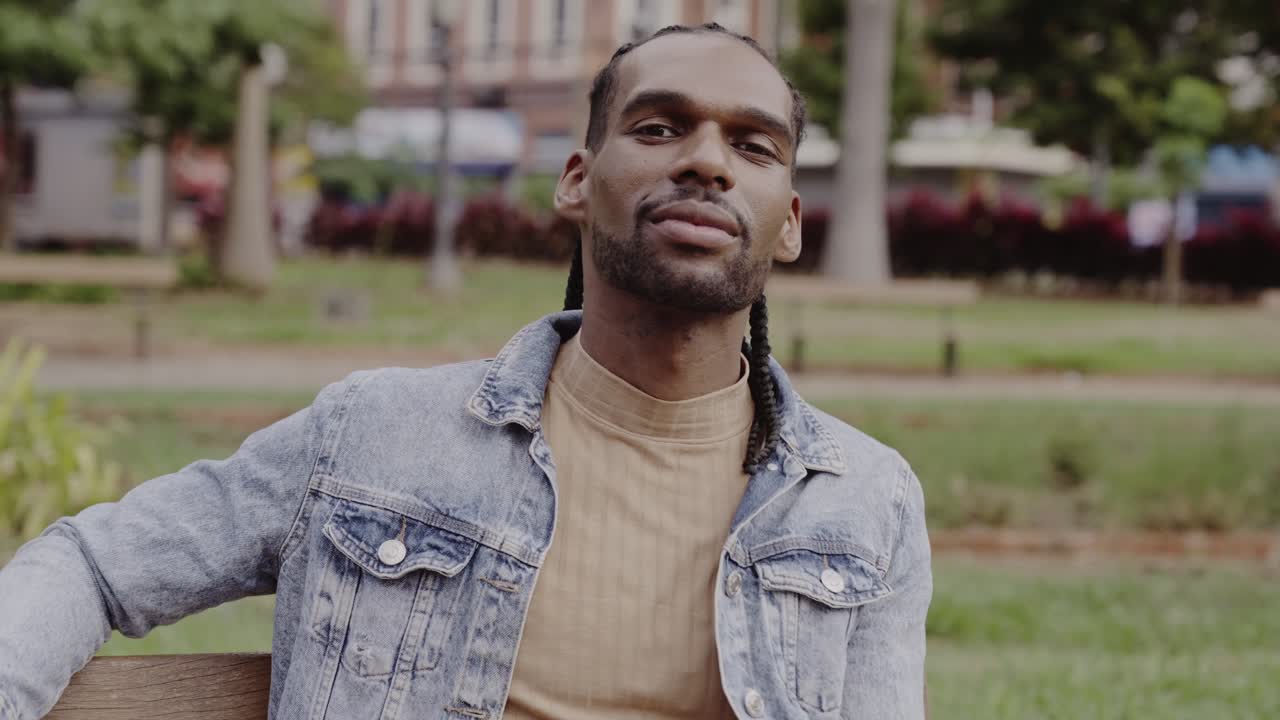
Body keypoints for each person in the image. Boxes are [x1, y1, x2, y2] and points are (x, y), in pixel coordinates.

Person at [0, 23, 931, 720]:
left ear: (794, 219)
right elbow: (93, 564)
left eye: (753, 145)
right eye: (658, 128)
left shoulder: (864, 505)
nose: (706, 163)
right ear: (576, 179)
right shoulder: (374, 435)